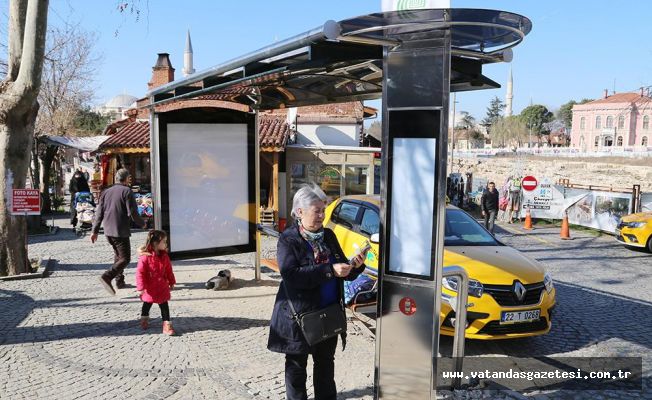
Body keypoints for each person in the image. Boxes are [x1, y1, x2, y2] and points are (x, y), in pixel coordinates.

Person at [268, 184, 367, 400]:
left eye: (323, 210)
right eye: (317, 211)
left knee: (325, 367)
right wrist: (329, 270)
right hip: (299, 317)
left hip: (328, 314)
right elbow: (291, 275)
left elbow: (342, 270)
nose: (322, 215)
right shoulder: (289, 239)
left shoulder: (328, 235)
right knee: (296, 368)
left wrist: (356, 266)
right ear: (300, 212)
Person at [91, 168, 146, 294]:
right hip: (120, 230)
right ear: (126, 179)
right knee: (125, 259)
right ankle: (107, 276)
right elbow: (132, 213)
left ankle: (119, 281)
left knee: (118, 256)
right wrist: (143, 224)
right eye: (129, 178)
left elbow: (99, 212)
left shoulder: (106, 191)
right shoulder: (127, 191)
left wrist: (94, 230)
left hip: (108, 230)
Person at [136, 230, 176, 336]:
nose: (166, 244)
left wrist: (171, 281)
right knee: (147, 304)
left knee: (164, 305)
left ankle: (167, 324)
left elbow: (168, 270)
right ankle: (144, 318)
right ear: (155, 243)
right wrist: (141, 287)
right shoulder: (145, 257)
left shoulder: (165, 256)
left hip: (162, 286)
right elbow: (140, 273)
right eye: (164, 241)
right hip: (150, 287)